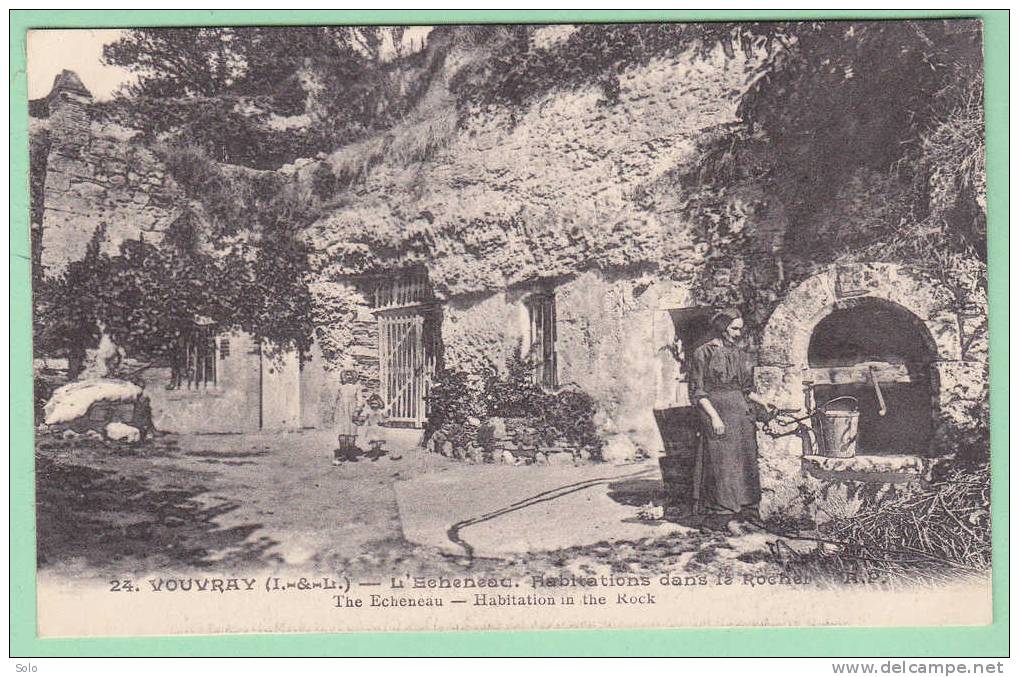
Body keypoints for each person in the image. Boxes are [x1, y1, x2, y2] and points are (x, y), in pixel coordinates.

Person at [687, 309, 774, 520]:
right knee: (722, 463)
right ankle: (723, 512)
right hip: (717, 412)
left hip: (741, 414)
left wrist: (764, 402)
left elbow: (745, 389)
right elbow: (697, 392)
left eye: (740, 329)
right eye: (734, 328)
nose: (738, 333)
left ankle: (746, 510)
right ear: (722, 327)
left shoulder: (737, 353)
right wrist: (714, 417)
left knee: (746, 459)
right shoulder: (703, 352)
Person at [333, 369, 362, 465]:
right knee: (342, 431)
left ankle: (351, 453)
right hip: (341, 411)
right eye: (346, 375)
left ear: (354, 376)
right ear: (343, 376)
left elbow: (360, 400)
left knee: (352, 431)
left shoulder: (356, 387)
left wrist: (357, 410)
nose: (348, 377)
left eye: (351, 375)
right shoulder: (340, 387)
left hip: (352, 410)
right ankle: (343, 453)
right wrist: (334, 411)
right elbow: (335, 399)